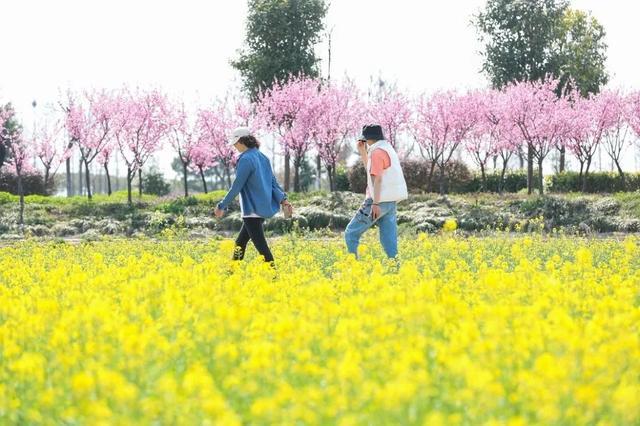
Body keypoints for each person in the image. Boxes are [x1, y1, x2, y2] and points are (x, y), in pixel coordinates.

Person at [214, 127, 293, 263]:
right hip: (262, 208)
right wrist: (283, 199)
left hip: (251, 210)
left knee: (262, 248)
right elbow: (273, 182)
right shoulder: (263, 158)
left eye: (235, 142)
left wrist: (222, 205)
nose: (234, 145)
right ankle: (232, 274)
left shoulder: (245, 159)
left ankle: (274, 276)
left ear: (240, 141)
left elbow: (237, 186)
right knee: (240, 243)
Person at [344, 124, 408, 259]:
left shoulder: (377, 153)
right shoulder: (387, 149)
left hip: (377, 202)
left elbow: (377, 179)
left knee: (351, 233)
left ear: (368, 139)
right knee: (389, 241)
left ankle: (353, 266)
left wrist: (375, 203)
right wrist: (363, 153)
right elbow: (372, 169)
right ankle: (395, 271)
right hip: (390, 202)